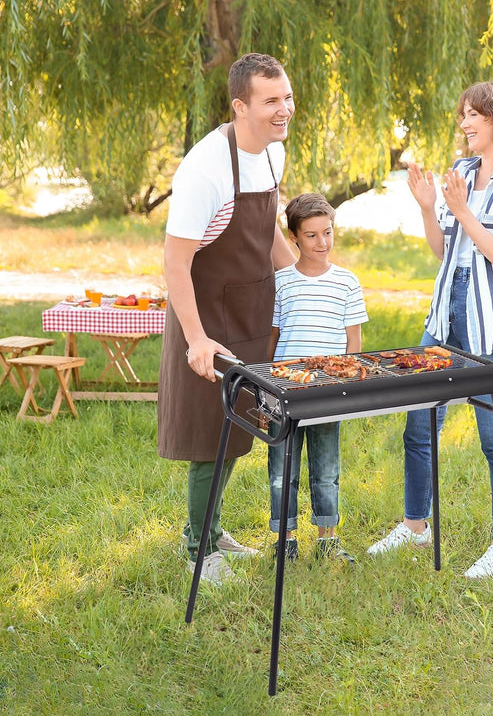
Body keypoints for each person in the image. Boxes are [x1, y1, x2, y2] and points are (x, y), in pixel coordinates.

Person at [367, 81, 493, 579]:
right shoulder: (461, 172)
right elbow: (444, 252)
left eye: (472, 115)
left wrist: (464, 211)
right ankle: (415, 525)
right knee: (419, 423)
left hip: (491, 322)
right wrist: (429, 207)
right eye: (462, 115)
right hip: (445, 313)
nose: (464, 124)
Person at [157, 53, 297, 584]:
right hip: (206, 314)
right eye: (271, 101)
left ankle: (212, 530)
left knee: (239, 426)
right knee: (210, 434)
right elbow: (175, 263)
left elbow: (267, 231)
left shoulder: (273, 152)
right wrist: (197, 340)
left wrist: (304, 280)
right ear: (240, 107)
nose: (284, 109)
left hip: (251, 309)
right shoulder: (205, 169)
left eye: (287, 97)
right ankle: (198, 549)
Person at [267, 193, 368, 563]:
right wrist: (264, 387)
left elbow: (354, 343)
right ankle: (286, 540)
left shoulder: (347, 282)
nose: (322, 242)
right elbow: (273, 337)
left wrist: (349, 387)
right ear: (294, 237)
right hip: (285, 390)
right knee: (282, 471)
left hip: (327, 391)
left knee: (326, 470)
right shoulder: (281, 282)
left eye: (327, 232)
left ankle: (328, 540)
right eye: (311, 235)